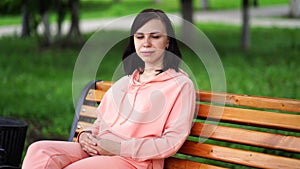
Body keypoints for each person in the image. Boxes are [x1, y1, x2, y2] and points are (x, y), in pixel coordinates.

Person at [22, 8, 196, 169]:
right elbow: (99, 125)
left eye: (155, 36)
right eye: (140, 36)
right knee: (39, 151)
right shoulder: (123, 83)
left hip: (135, 161)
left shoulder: (179, 85)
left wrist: (120, 148)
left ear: (168, 42)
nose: (146, 43)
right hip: (99, 149)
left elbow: (171, 141)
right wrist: (85, 136)